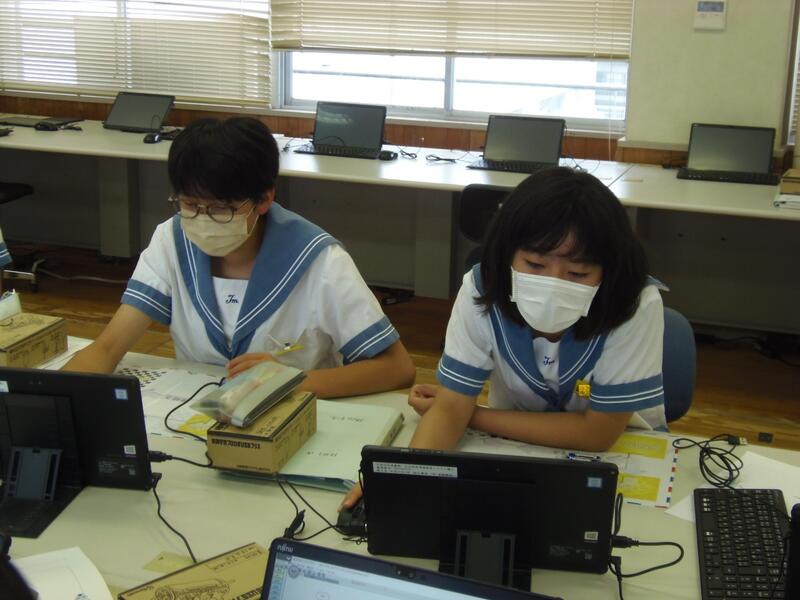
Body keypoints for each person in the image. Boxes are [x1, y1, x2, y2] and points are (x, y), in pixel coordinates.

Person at [342, 166, 665, 509]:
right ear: (507, 252)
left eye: (577, 273)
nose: (553, 284)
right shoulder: (483, 287)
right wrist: (403, 479)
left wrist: (472, 414)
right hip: (512, 448)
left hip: (621, 455)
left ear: (607, 270)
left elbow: (598, 433)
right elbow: (450, 410)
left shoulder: (634, 303)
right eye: (535, 265)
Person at [64, 117, 416, 398]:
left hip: (293, 414)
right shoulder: (172, 240)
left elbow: (397, 368)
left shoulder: (319, 260)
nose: (203, 219)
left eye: (222, 208)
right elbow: (107, 348)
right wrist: (53, 403)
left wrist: (292, 381)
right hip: (194, 409)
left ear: (264, 199)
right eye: (190, 204)